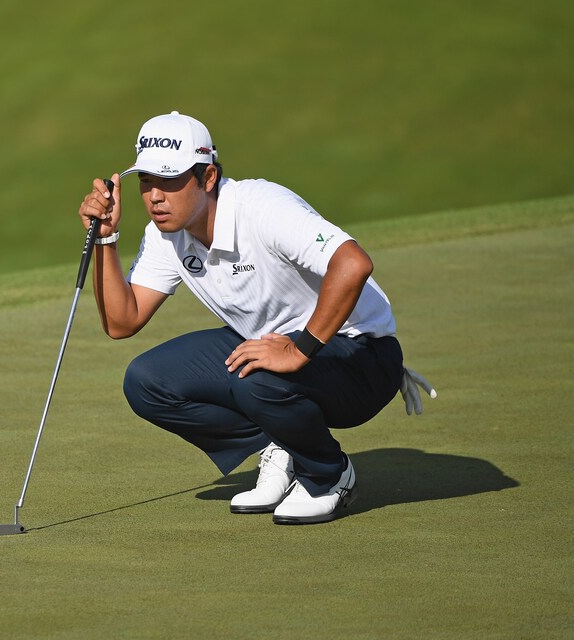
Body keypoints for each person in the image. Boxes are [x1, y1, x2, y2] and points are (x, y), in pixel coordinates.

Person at [78, 111, 435, 525]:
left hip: (361, 357)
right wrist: (106, 238)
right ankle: (283, 444)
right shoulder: (164, 235)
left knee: (257, 379)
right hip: (275, 348)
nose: (155, 196)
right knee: (147, 382)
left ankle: (329, 475)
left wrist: (300, 349)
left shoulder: (262, 206)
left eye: (170, 181)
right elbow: (123, 322)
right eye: (146, 181)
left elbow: (352, 264)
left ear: (208, 177)